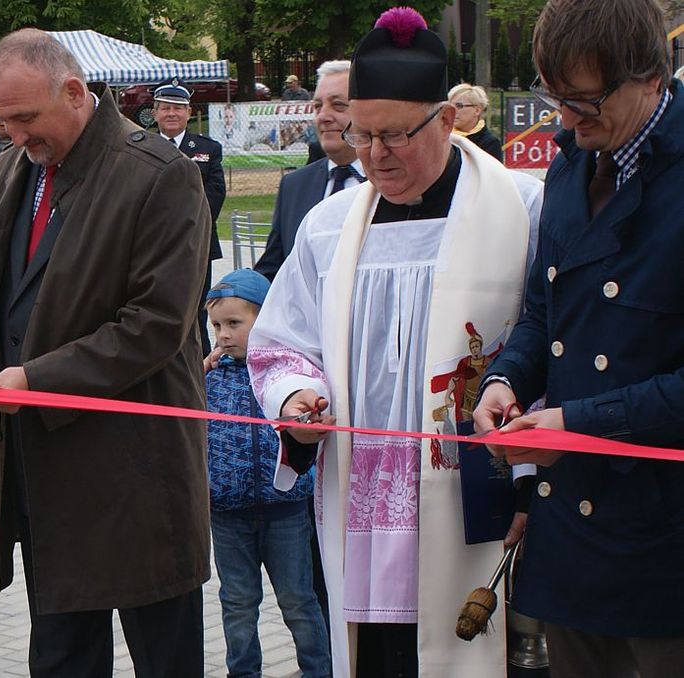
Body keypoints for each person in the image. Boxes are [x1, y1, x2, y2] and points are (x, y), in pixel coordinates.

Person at [246, 8, 543, 677]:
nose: (374, 155)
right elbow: (282, 341)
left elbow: (545, 337)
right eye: (363, 134)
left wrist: (528, 477)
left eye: (394, 136)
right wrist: (299, 400)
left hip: (478, 499)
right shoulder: (329, 225)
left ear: (445, 119)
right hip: (360, 499)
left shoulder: (520, 208)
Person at [0, 28, 211, 677]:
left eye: (26, 118)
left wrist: (35, 379)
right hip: (45, 479)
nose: (15, 135)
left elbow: (156, 324)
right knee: (62, 661)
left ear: (74, 92)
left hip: (136, 479)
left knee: (165, 658)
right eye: (3, 121)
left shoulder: (160, 175)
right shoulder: (14, 170)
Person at [473, 1, 684, 675]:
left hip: (663, 548)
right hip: (571, 539)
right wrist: (505, 381)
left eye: (585, 102)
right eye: (553, 97)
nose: (563, 119)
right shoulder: (568, 167)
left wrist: (576, 424)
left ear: (652, 77)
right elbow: (543, 313)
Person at [203, 268, 331, 678]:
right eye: (217, 325)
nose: (223, 334)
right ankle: (243, 673)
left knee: (298, 601)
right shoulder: (206, 378)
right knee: (238, 604)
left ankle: (320, 670)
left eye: (235, 323)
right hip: (226, 514)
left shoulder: (287, 377)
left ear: (267, 319)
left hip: (286, 511)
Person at [256, 60, 363, 280]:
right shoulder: (294, 185)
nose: (323, 116)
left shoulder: (391, 182)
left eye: (339, 105)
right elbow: (274, 271)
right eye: (317, 106)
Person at [153, 78, 226, 355]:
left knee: (196, 311)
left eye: (178, 108)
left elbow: (215, 193)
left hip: (197, 244)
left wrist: (186, 225)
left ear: (189, 113)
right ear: (156, 112)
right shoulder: (143, 146)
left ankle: (200, 367)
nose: (172, 113)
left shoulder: (207, 148)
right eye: (165, 108)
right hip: (154, 244)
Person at [448, 83, 503, 161]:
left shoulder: (490, 143)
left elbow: (493, 173)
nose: (452, 111)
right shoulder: (443, 137)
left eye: (459, 106)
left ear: (477, 110)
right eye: (450, 106)